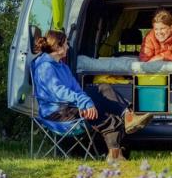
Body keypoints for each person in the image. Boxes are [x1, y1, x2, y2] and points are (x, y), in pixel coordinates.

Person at [32, 30, 153, 161]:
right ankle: (115, 154)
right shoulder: (44, 67)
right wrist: (85, 102)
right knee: (101, 112)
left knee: (102, 88)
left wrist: (85, 100)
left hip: (69, 106)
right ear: (58, 47)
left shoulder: (63, 66)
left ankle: (128, 115)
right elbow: (58, 93)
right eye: (66, 44)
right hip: (56, 112)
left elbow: (77, 89)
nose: (68, 47)